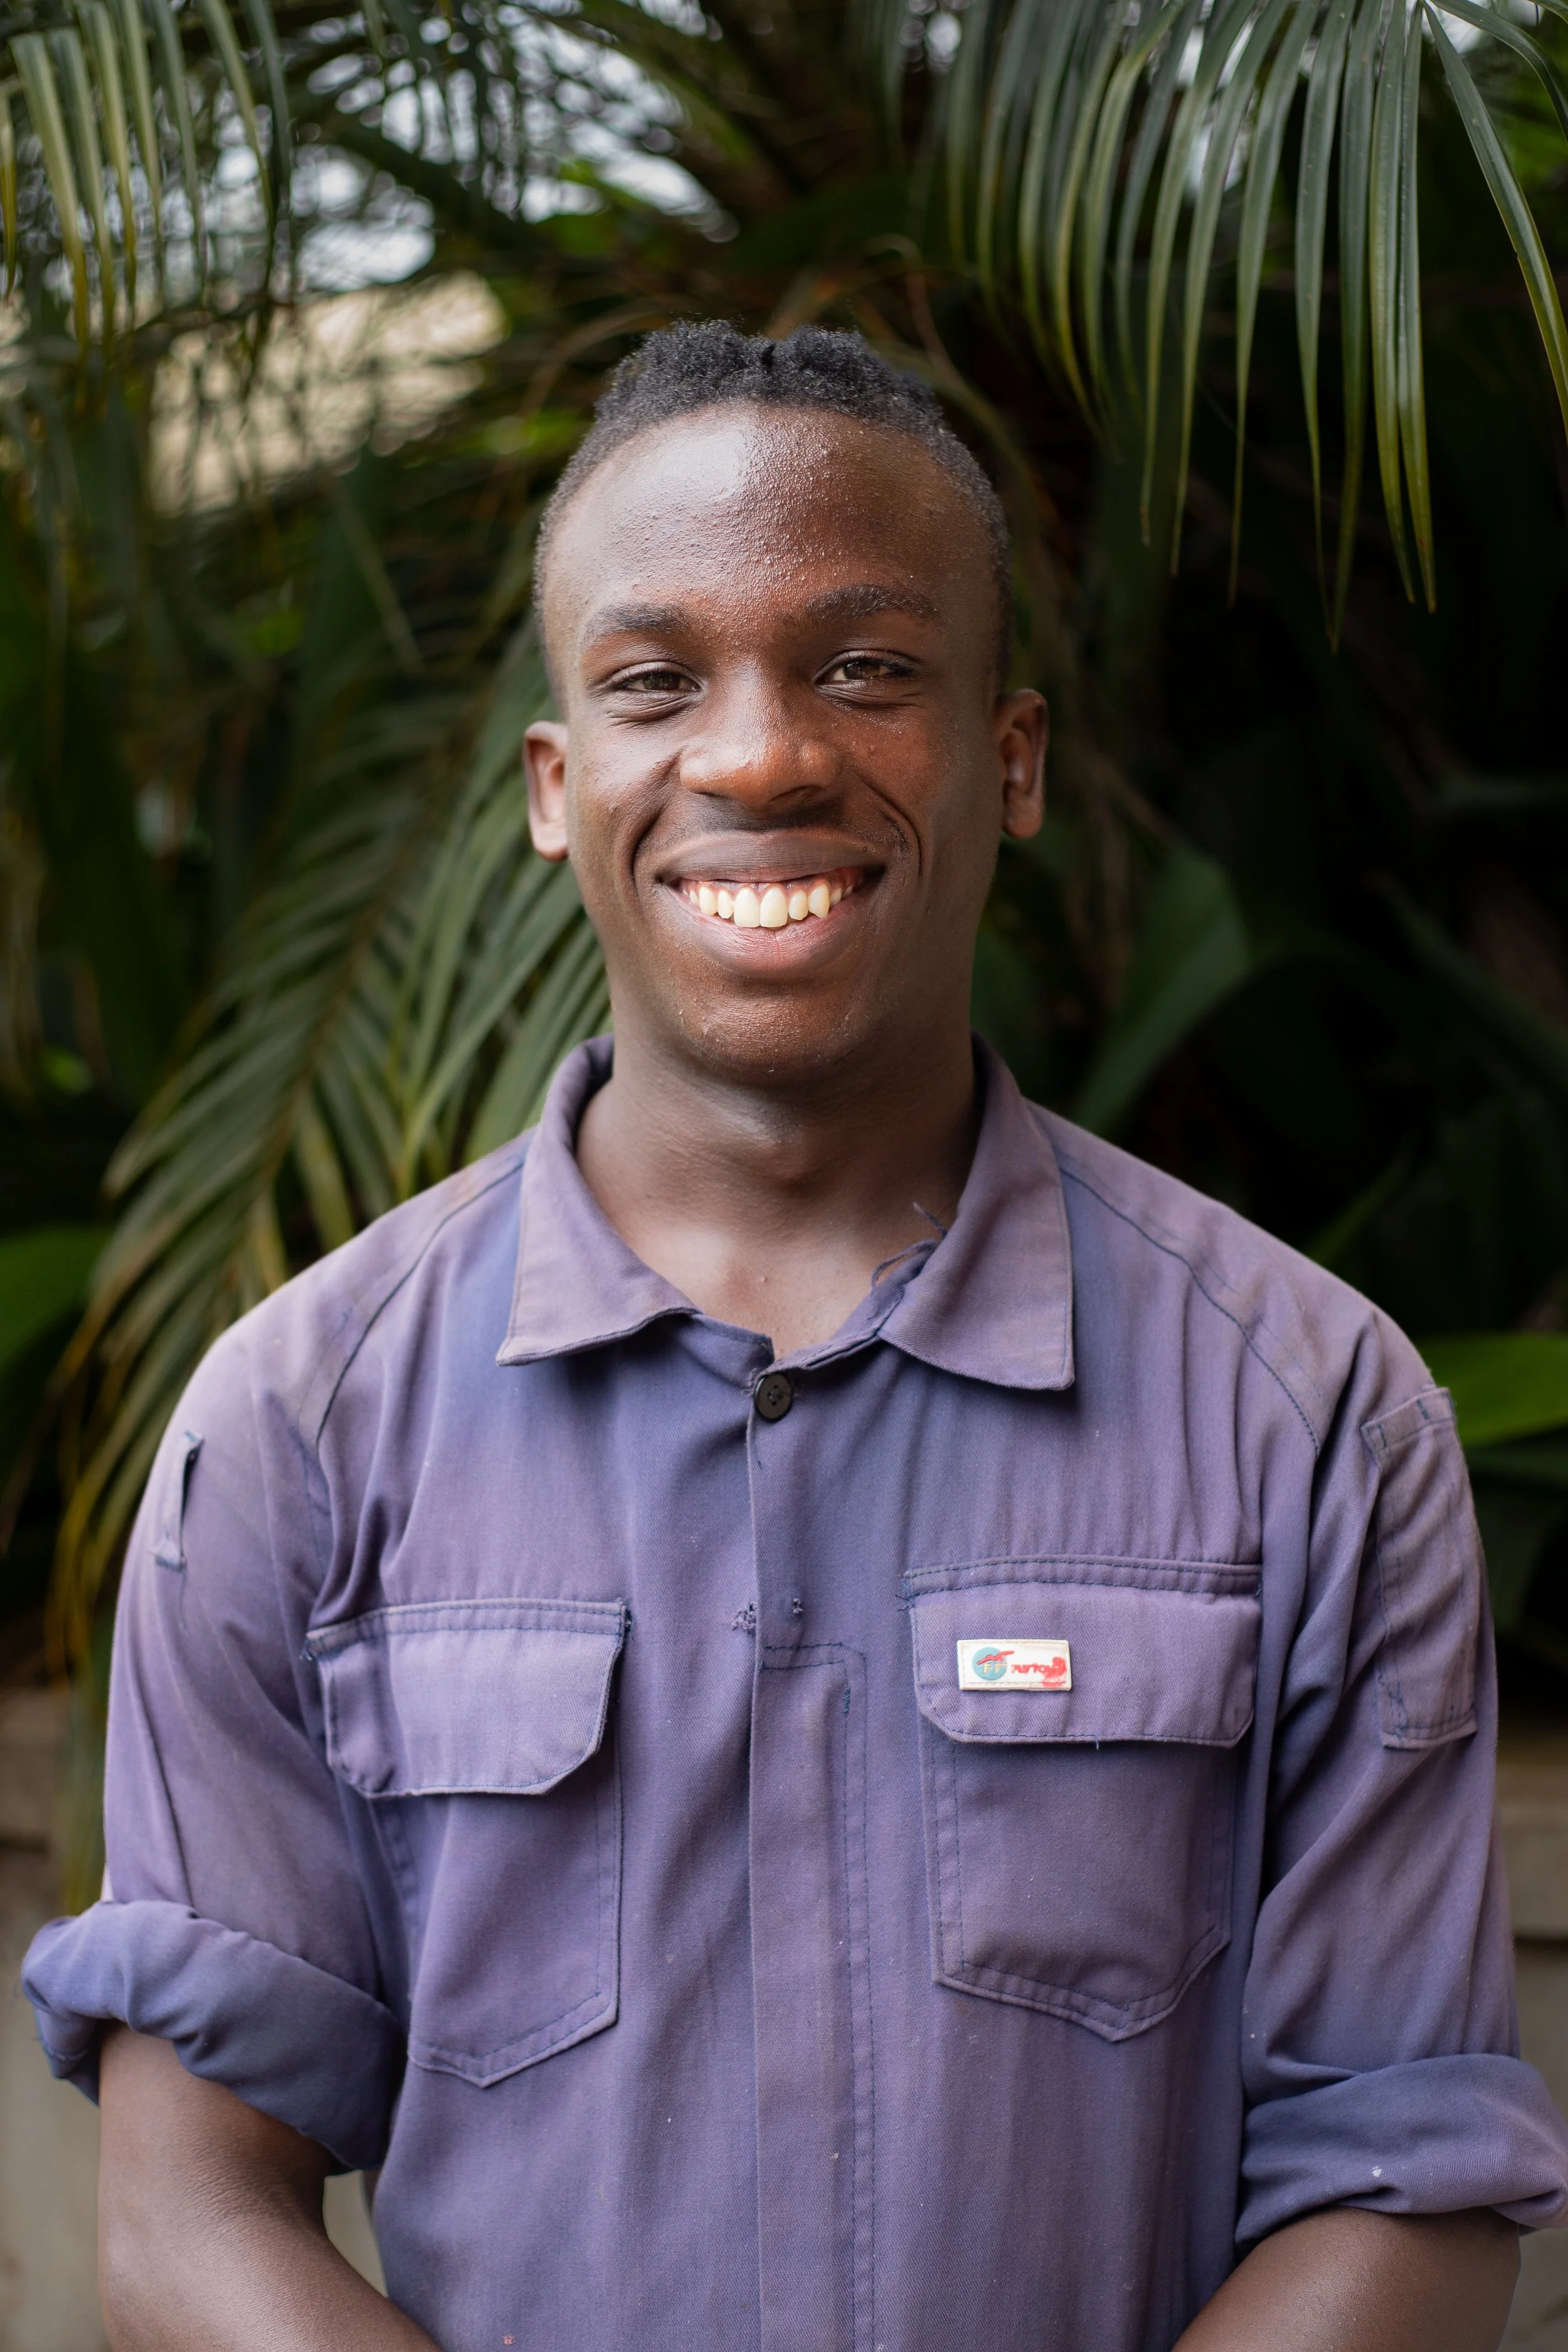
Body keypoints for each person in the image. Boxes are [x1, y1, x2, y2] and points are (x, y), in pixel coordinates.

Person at [23, 323, 1568, 2352]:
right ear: (557, 791)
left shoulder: (1306, 1412)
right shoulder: (300, 1427)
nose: (757, 755)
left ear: (1006, 761)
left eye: (862, 666)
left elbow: (1404, 2178)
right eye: (658, 680)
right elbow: (183, 2218)